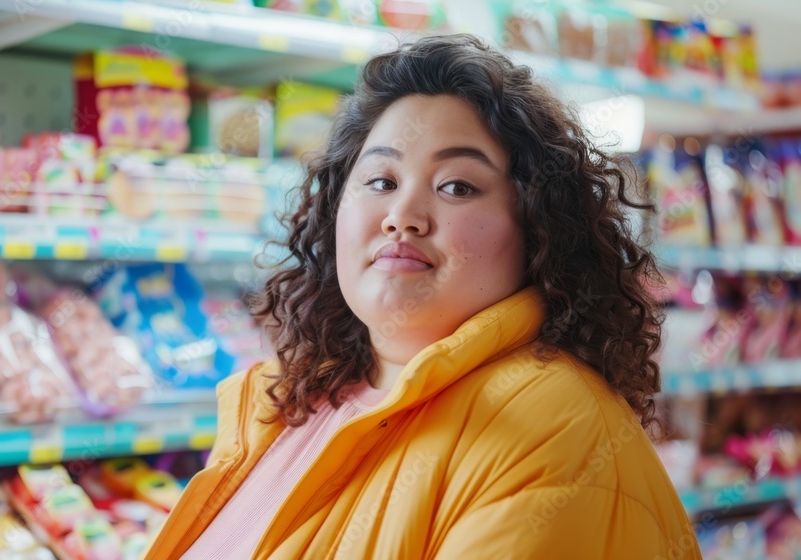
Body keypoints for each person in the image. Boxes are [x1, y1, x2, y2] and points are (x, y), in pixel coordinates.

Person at [145, 34, 701, 560]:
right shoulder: (296, 397)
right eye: (381, 181)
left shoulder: (549, 427)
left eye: (456, 186)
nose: (401, 218)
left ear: (538, 228)